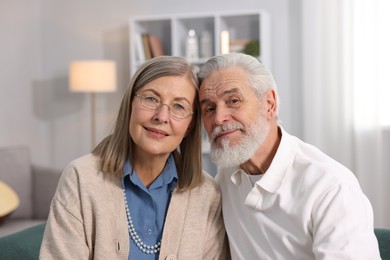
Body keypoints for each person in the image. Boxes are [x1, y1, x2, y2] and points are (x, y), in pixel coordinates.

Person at [40, 56, 229, 259]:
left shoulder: (208, 194)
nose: (161, 116)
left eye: (178, 107)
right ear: (130, 104)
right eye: (151, 99)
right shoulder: (81, 179)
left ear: (189, 126)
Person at [198, 53, 380, 259]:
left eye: (233, 101)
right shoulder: (224, 179)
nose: (219, 118)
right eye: (209, 108)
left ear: (269, 104)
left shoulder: (331, 187)